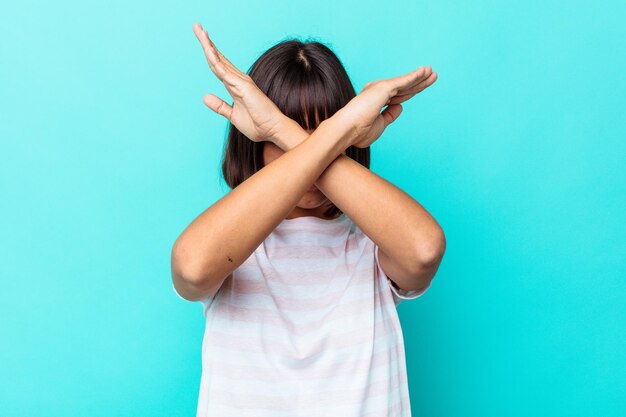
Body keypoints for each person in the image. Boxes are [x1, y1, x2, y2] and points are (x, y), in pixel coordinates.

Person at [171, 22, 446, 417]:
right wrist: (338, 129)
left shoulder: (375, 245)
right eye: (280, 139)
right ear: (253, 143)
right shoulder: (234, 243)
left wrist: (280, 130)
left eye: (328, 132)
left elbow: (424, 250)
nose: (309, 161)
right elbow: (192, 269)